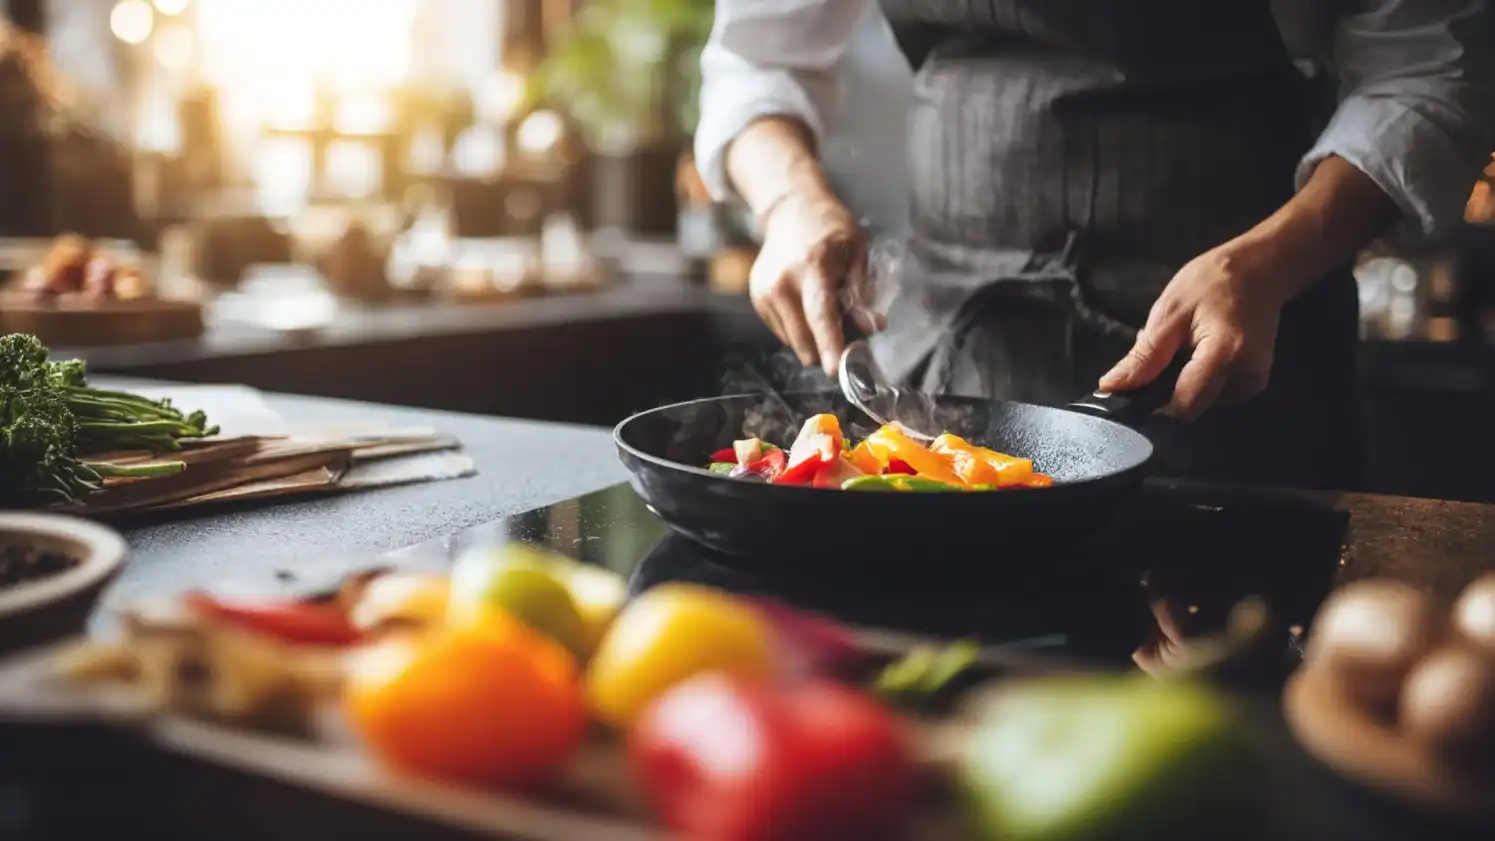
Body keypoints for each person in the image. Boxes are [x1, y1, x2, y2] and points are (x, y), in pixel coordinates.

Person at [696, 0, 1493, 490]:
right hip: (940, 351)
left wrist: (1271, 259)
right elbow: (757, 56)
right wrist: (792, 202)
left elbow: (1432, 69)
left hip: (1242, 352)